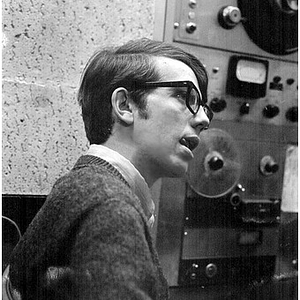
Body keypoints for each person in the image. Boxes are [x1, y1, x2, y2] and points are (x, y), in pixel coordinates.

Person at [8, 38, 213, 299]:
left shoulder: (85, 184)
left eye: (203, 106)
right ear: (125, 106)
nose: (203, 120)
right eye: (184, 97)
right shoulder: (111, 205)